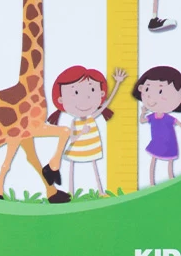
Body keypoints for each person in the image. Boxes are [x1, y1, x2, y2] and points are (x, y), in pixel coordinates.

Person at [45, 66, 127, 195]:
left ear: (101, 94)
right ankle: (71, 192)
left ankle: (101, 191)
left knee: (94, 167)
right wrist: (82, 132)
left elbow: (107, 102)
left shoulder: (91, 117)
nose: (85, 98)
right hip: (76, 150)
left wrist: (117, 83)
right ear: (61, 99)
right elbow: (72, 139)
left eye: (92, 90)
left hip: (92, 147)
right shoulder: (74, 122)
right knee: (72, 168)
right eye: (76, 92)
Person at [131, 65, 181, 184]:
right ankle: (152, 183)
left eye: (160, 91)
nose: (151, 96)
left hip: (169, 143)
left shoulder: (168, 118)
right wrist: (142, 113)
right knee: (153, 160)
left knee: (169, 162)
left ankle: (171, 180)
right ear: (141, 88)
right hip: (156, 143)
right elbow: (142, 121)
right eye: (147, 89)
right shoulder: (152, 116)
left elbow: (180, 124)